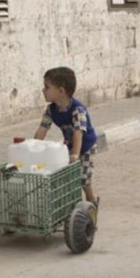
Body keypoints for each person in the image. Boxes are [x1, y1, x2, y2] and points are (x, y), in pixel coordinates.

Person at [34, 67, 99, 206]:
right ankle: (70, 204)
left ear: (61, 91)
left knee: (83, 178)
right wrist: (33, 145)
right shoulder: (52, 110)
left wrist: (75, 154)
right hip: (70, 145)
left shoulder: (77, 109)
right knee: (66, 176)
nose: (43, 90)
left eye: (47, 87)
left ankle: (92, 201)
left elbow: (78, 132)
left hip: (86, 146)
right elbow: (42, 128)